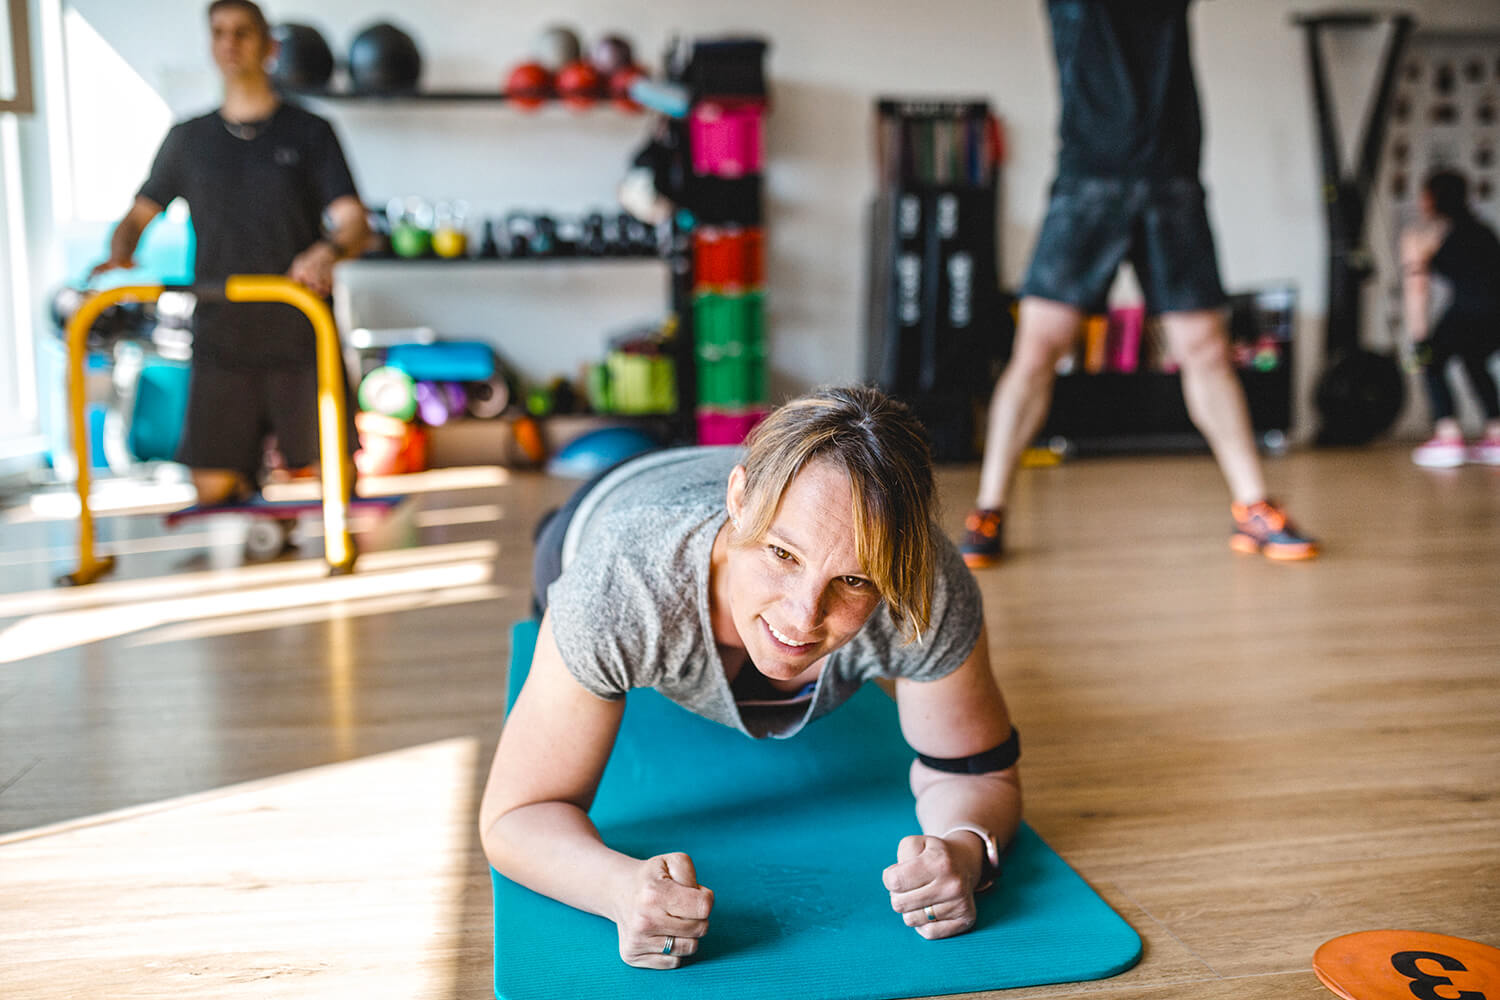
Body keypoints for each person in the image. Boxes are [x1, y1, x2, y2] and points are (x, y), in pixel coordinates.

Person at [480, 385, 1022, 969]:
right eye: (782, 555)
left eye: (855, 581)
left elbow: (975, 771)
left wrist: (965, 854)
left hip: (743, 482)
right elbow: (516, 817)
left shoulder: (926, 585)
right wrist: (615, 887)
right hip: (616, 502)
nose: (802, 616)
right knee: (556, 584)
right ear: (738, 500)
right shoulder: (618, 585)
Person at [959, 0, 1318, 567]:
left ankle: (1252, 507)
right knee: (1036, 350)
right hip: (1087, 185)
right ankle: (988, 510)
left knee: (1206, 350)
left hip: (1171, 183)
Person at [92, 0, 371, 505]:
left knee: (335, 487)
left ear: (269, 47)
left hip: (298, 328)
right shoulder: (188, 139)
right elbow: (138, 216)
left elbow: (354, 222)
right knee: (213, 492)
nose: (230, 42)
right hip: (223, 333)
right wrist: (119, 253)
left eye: (243, 32)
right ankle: (252, 477)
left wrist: (327, 252)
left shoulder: (311, 132)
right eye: (219, 32)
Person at [1400, 168, 1500, 468]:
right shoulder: (1483, 230)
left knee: (1431, 361)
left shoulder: (1422, 235)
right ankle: (1496, 435)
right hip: (1495, 313)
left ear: (1430, 198)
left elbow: (1418, 291)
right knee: (1475, 362)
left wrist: (1420, 340)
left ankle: (1448, 435)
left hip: (1468, 311)